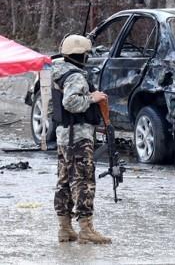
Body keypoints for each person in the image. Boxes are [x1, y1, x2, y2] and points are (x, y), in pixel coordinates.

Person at [52, 34, 112, 244]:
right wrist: (92, 98)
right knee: (84, 181)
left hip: (64, 135)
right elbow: (70, 103)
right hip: (77, 136)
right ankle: (86, 229)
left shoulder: (58, 72)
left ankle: (65, 228)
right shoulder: (75, 76)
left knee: (65, 181)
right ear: (81, 55)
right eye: (86, 54)